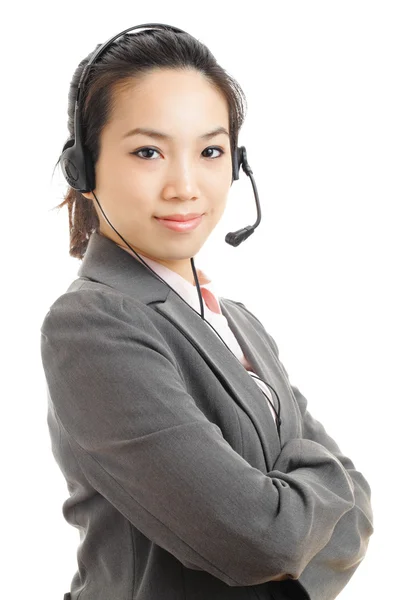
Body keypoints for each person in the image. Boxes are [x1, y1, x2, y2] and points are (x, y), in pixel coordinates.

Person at [40, 23, 374, 600]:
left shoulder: (239, 322)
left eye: (211, 151)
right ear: (85, 169)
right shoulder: (92, 325)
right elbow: (260, 542)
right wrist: (311, 496)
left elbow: (359, 515)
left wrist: (291, 512)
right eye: (149, 151)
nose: (185, 186)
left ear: (236, 165)